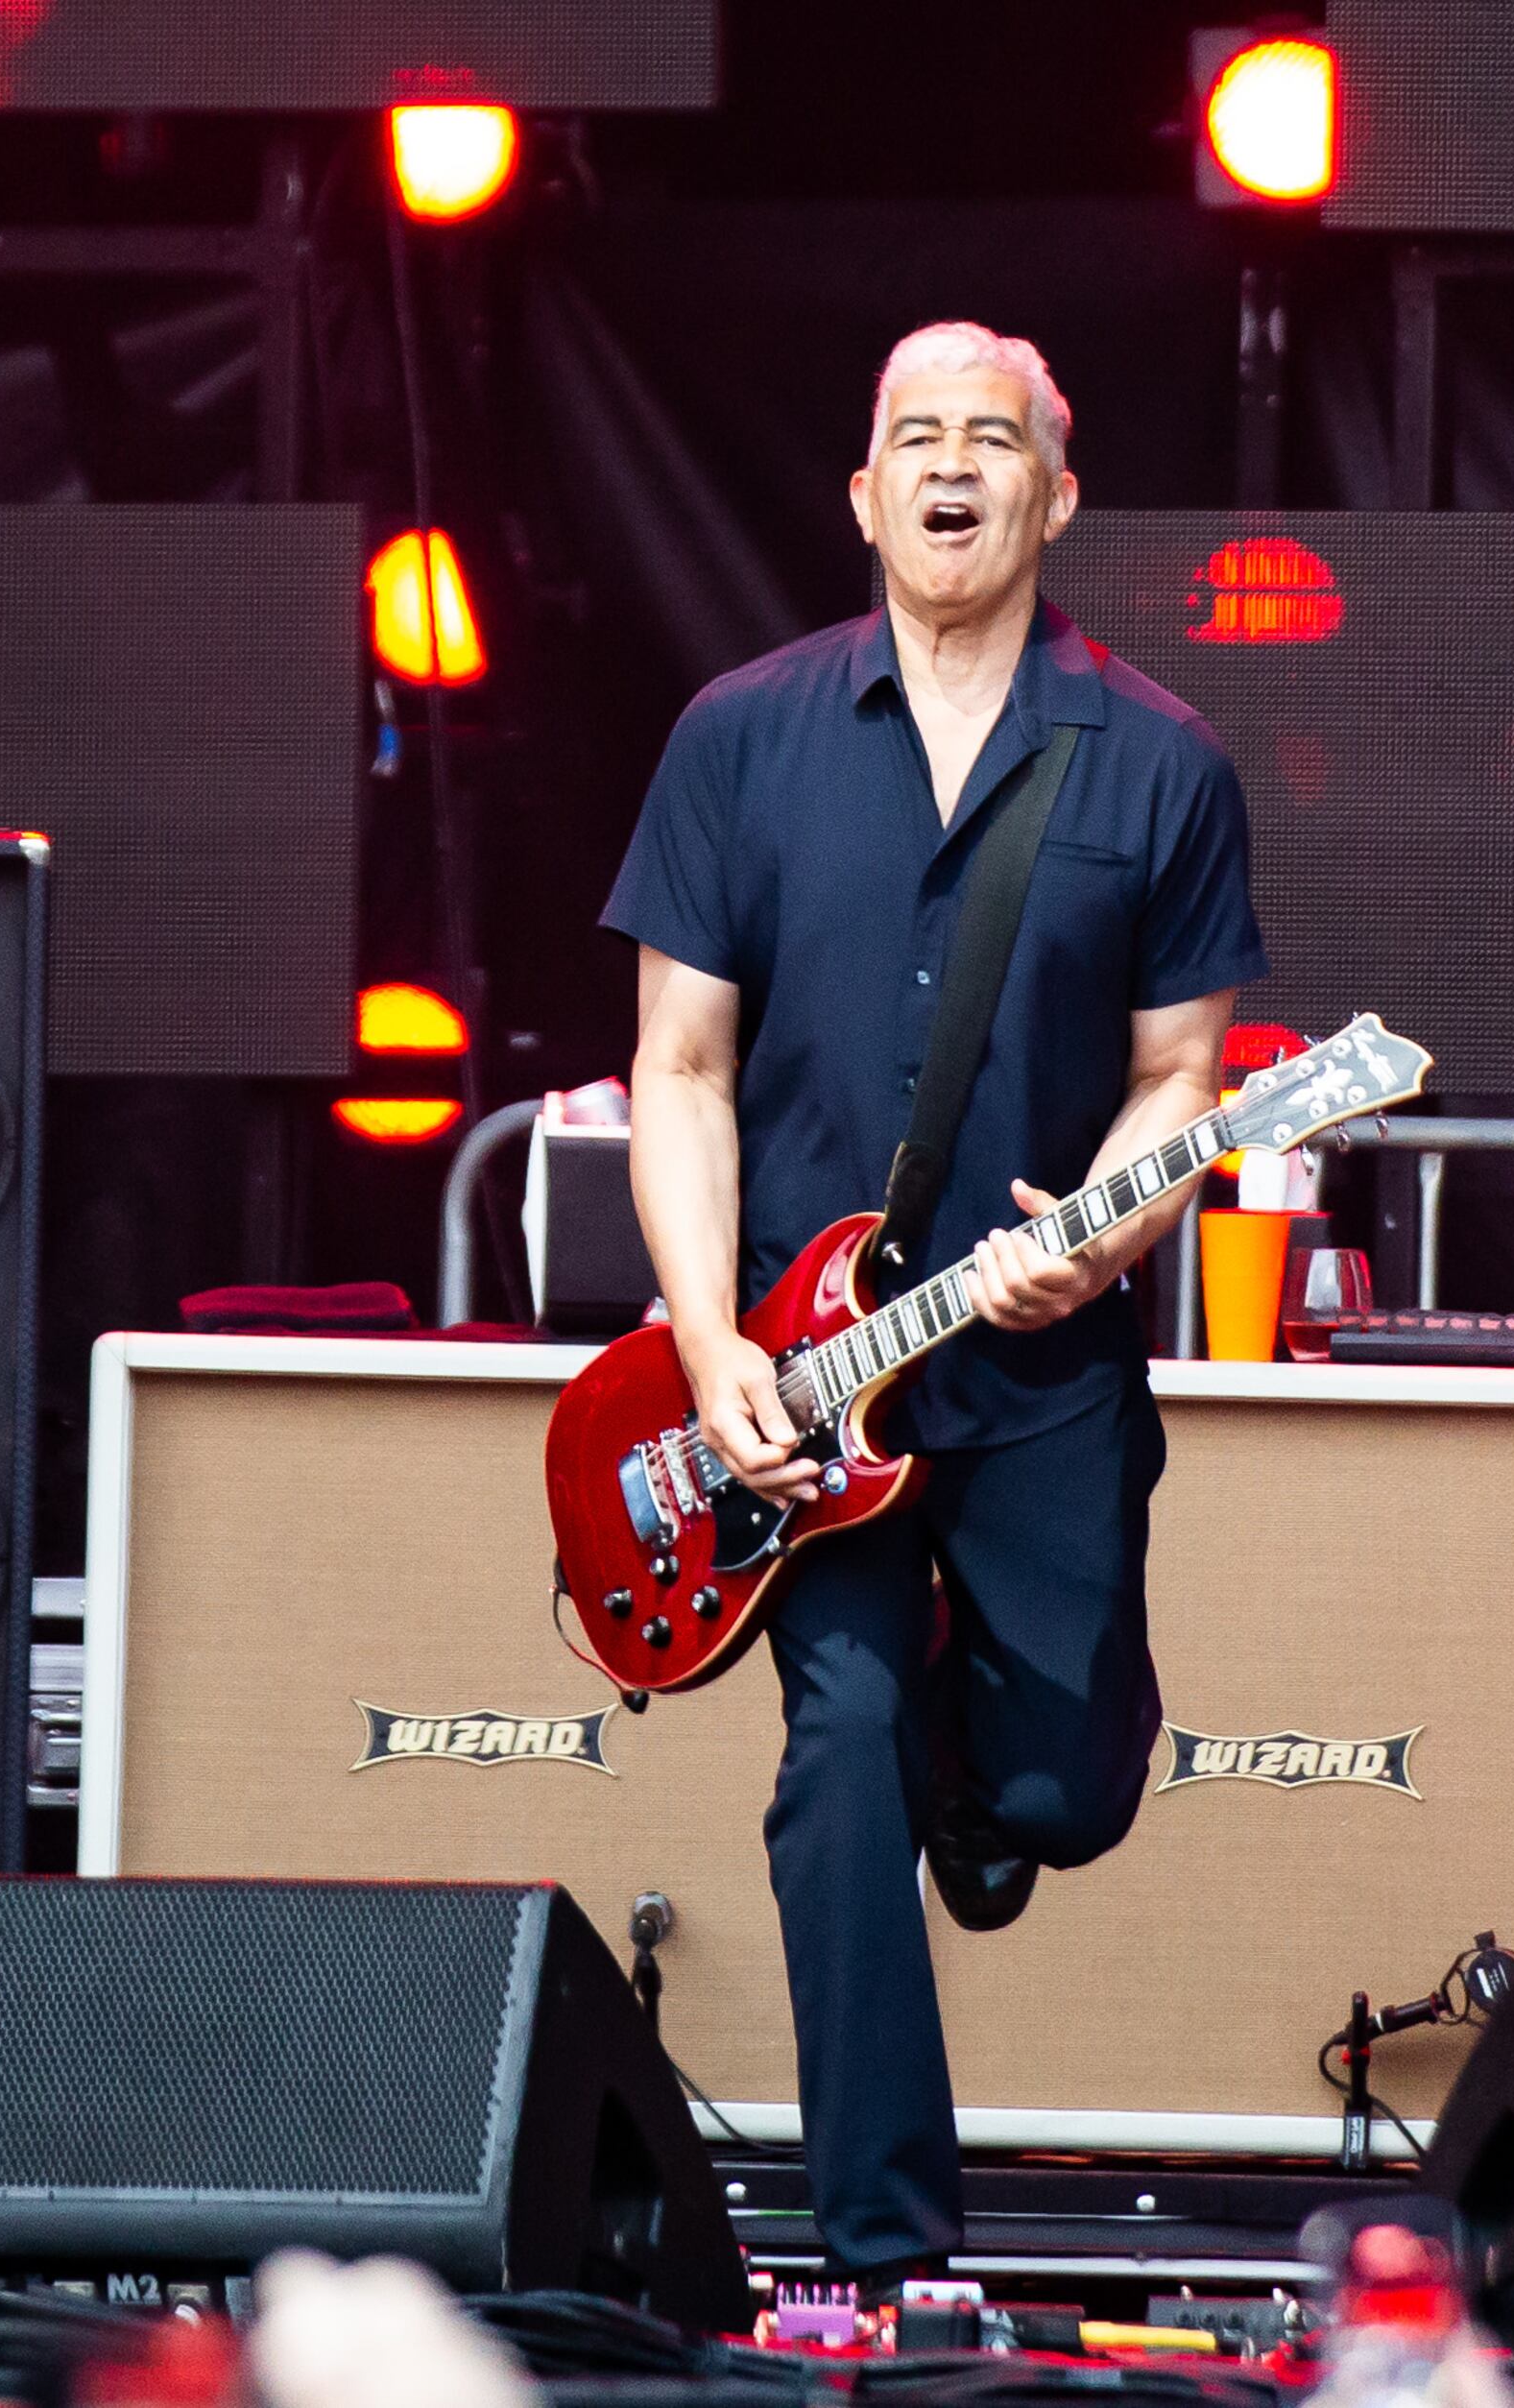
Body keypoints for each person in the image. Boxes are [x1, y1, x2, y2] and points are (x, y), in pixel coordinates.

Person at [600, 321, 1267, 2294]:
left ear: (1057, 498)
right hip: (811, 1388)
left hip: (1040, 1370)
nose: (953, 464)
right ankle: (886, 2261)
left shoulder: (1162, 760)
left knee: (1062, 1797)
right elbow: (681, 1069)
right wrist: (711, 1343)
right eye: (917, 436)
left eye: (995, 438)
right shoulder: (741, 736)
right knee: (839, 1756)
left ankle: (989, 1788)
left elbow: (1183, 1078)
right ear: (863, 494)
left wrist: (1108, 1242)